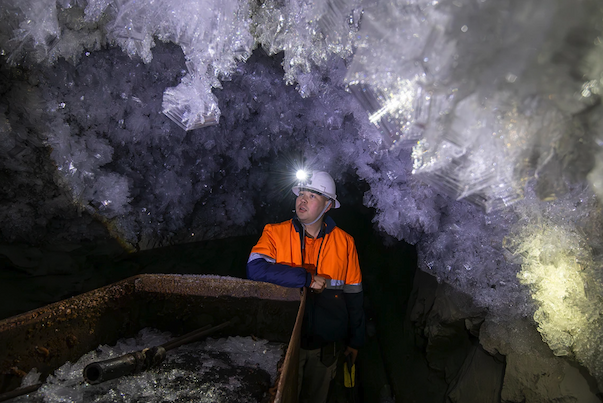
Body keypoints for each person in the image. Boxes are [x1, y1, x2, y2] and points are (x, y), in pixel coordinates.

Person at [246, 170, 365, 403]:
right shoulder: (275, 233)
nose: (303, 199)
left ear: (328, 205)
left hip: (326, 348)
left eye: (313, 195)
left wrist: (355, 341)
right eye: (302, 192)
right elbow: (255, 269)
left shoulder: (344, 242)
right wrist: (307, 279)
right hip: (285, 346)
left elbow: (354, 295)